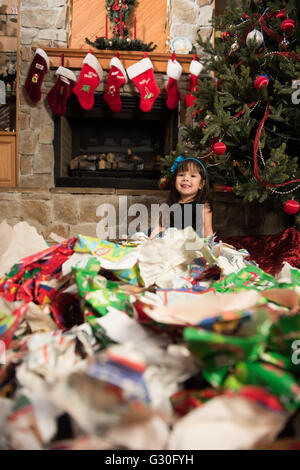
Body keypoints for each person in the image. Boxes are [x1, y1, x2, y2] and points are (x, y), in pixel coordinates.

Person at [149, 156, 213, 238]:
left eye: (192, 176)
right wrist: (150, 240)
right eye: (181, 175)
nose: (185, 178)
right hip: (171, 243)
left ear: (201, 184)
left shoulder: (203, 205)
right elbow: (161, 227)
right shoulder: (171, 203)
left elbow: (208, 232)